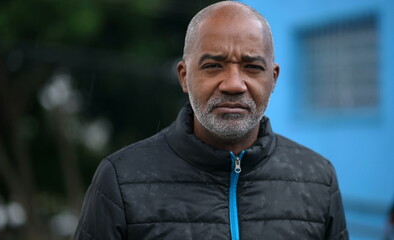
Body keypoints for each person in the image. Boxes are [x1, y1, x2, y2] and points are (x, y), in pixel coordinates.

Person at [74, 1, 348, 239]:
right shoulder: (121, 180)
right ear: (184, 76)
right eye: (213, 66)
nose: (233, 84)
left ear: (273, 78)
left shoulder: (318, 180)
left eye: (252, 67)